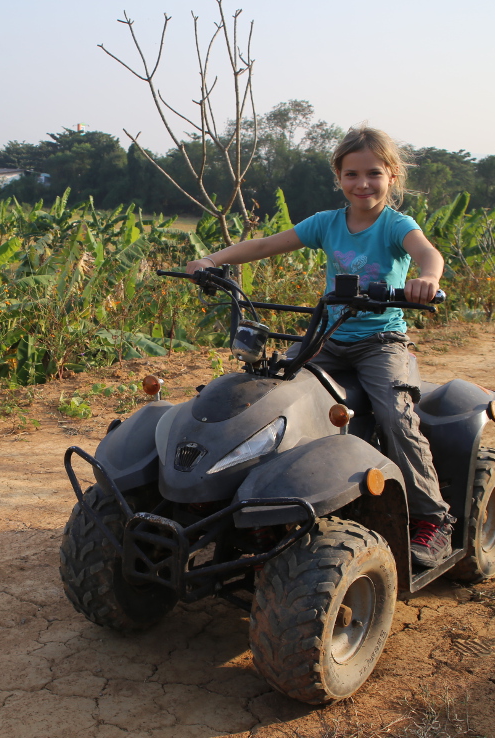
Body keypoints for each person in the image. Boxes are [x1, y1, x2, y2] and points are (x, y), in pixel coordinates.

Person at [185, 125, 454, 567]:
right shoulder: (328, 223)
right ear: (339, 177)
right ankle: (248, 494)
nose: (362, 183)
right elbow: (269, 244)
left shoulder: (395, 225)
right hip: (327, 337)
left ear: (391, 175)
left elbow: (428, 254)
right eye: (351, 174)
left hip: (380, 341)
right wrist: (213, 261)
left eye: (373, 173)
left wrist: (428, 280)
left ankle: (433, 516)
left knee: (393, 413)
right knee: (270, 391)